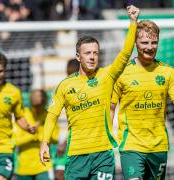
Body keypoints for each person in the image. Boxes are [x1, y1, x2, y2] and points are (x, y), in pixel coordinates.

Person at [40, 5, 140, 180]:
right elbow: (52, 115)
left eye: (95, 53)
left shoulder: (106, 75)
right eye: (87, 53)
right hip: (77, 155)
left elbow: (125, 53)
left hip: (103, 154)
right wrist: (45, 142)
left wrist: (133, 22)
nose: (92, 57)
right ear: (78, 56)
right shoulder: (65, 85)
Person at [110, 20, 174, 180]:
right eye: (144, 42)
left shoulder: (168, 72)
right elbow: (110, 108)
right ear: (135, 43)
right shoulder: (122, 73)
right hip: (131, 144)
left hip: (158, 145)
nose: (150, 47)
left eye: (154, 42)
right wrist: (106, 136)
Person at [0, 52, 36, 180]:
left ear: (5, 70)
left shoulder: (14, 92)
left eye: (1, 71)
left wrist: (27, 127)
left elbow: (19, 117)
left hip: (4, 148)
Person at [13, 89, 61, 180]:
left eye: (40, 106)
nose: (38, 109)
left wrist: (40, 134)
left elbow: (55, 139)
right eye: (36, 106)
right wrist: (32, 135)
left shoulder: (49, 116)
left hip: (44, 166)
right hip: (23, 167)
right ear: (31, 103)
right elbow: (15, 141)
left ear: (45, 102)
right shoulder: (22, 116)